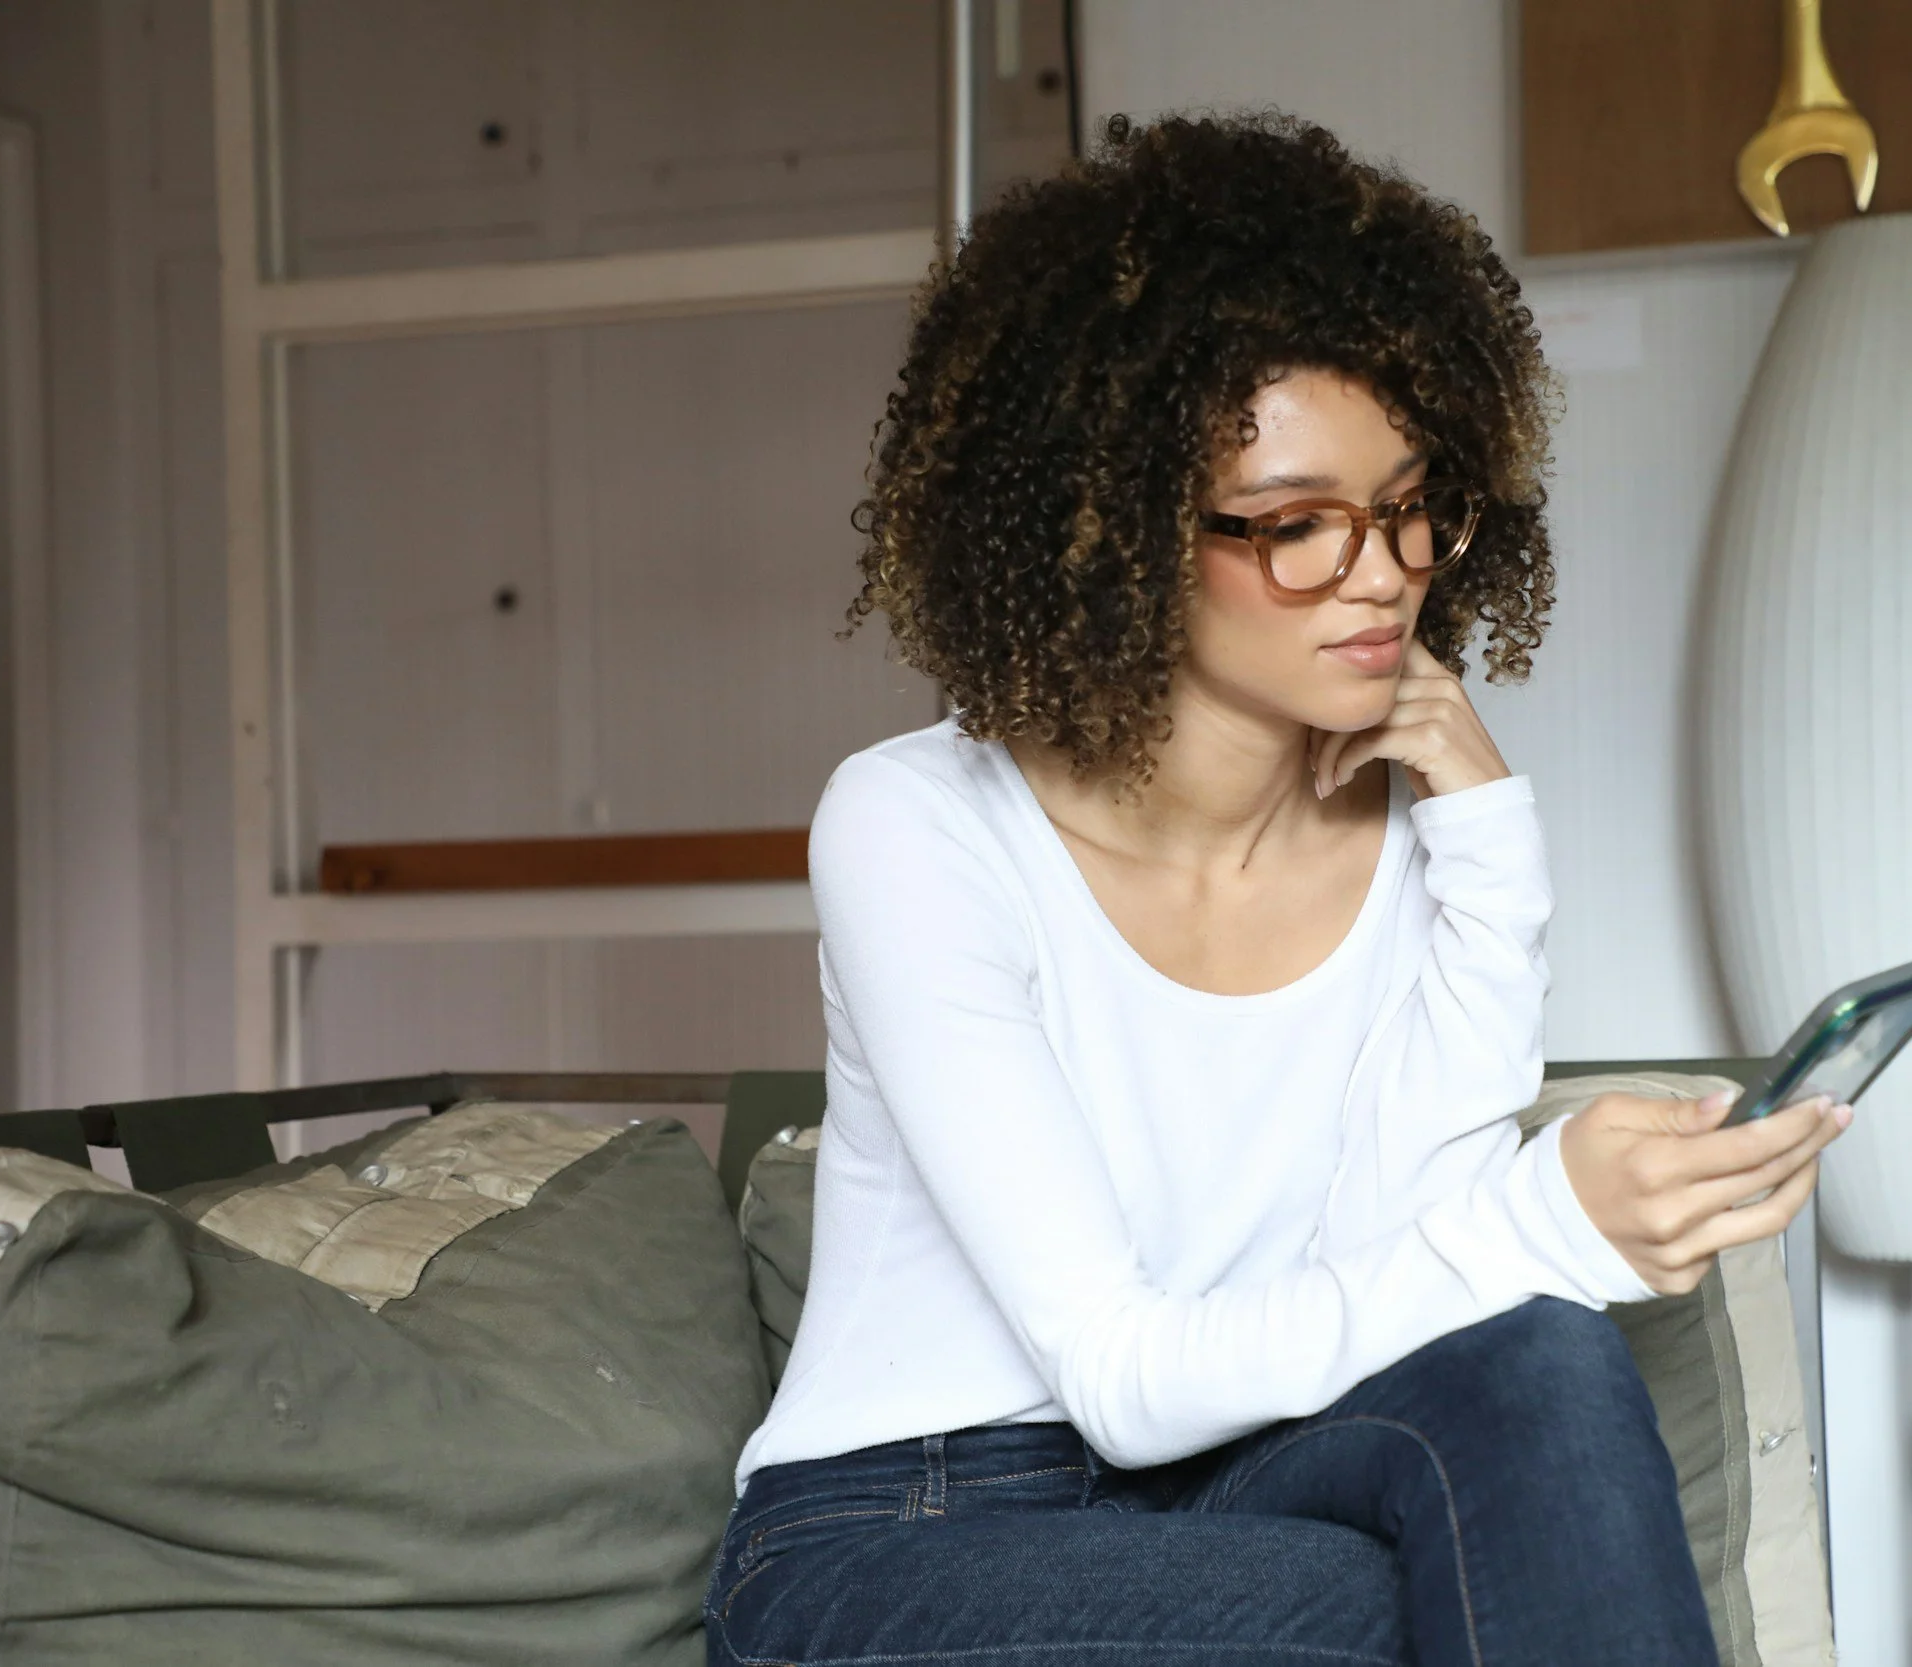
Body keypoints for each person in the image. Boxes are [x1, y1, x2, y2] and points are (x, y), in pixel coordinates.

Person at [706, 112, 1849, 1667]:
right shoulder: (916, 828)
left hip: (1228, 1480)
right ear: (1105, 533)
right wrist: (1555, 1211)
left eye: (1407, 504)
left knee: (1542, 1359)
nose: (1381, 573)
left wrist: (1487, 849)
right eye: (1299, 525)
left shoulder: (1402, 835)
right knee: (1391, 1606)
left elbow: (1410, 1277)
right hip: (907, 1535)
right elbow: (1117, 1369)